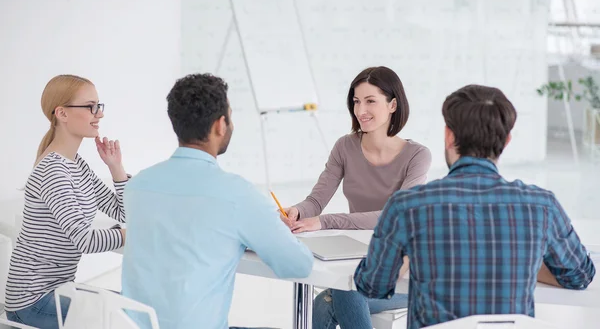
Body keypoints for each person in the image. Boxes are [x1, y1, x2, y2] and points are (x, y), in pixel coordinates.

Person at [354, 84, 596, 329]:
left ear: (449, 136)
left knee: (329, 303)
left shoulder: (407, 205)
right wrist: (526, 259)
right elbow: (580, 276)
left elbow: (372, 285)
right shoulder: (543, 206)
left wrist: (405, 258)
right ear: (507, 140)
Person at [121, 73, 314, 329]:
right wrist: (265, 228)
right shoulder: (237, 194)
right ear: (221, 124)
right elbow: (298, 265)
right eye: (231, 117)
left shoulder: (137, 186)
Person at [281, 66, 432, 329]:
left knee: (338, 294)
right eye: (356, 101)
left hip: (408, 275)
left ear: (393, 104)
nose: (361, 110)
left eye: (370, 101)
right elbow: (316, 201)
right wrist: (297, 211)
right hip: (360, 258)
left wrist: (326, 222)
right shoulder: (345, 147)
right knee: (340, 291)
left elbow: (395, 217)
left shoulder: (417, 156)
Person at [5, 74, 128, 329]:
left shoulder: (76, 165)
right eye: (90, 106)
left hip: (59, 291)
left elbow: (121, 212)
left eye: (99, 106)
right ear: (62, 113)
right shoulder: (53, 171)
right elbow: (85, 240)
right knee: (125, 318)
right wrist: (129, 235)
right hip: (31, 302)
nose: (99, 114)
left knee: (131, 308)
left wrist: (116, 168)